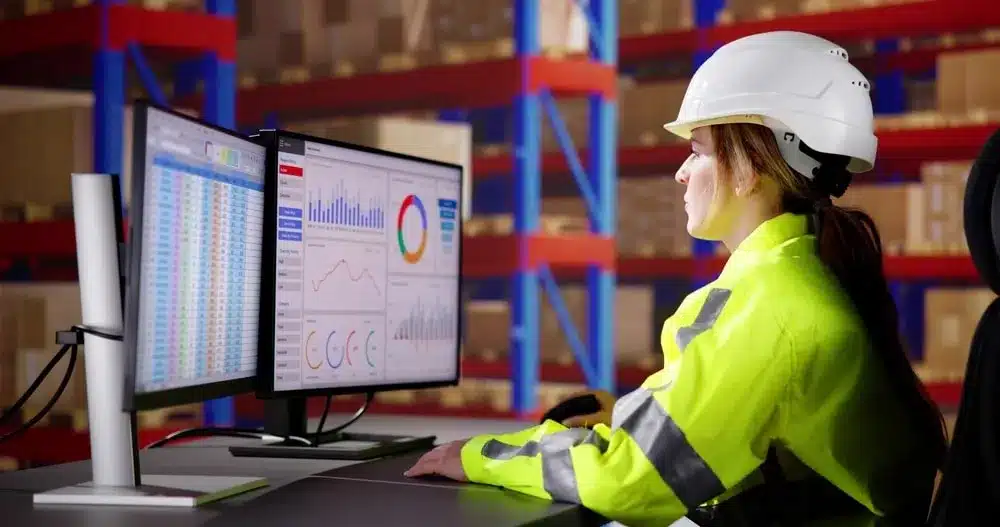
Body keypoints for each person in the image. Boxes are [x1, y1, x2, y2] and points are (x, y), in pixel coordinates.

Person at [405, 31, 948, 526]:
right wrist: (628, 416)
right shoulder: (799, 280)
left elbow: (631, 482)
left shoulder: (769, 310)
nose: (681, 172)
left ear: (751, 164)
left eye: (698, 150)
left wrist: (480, 455)